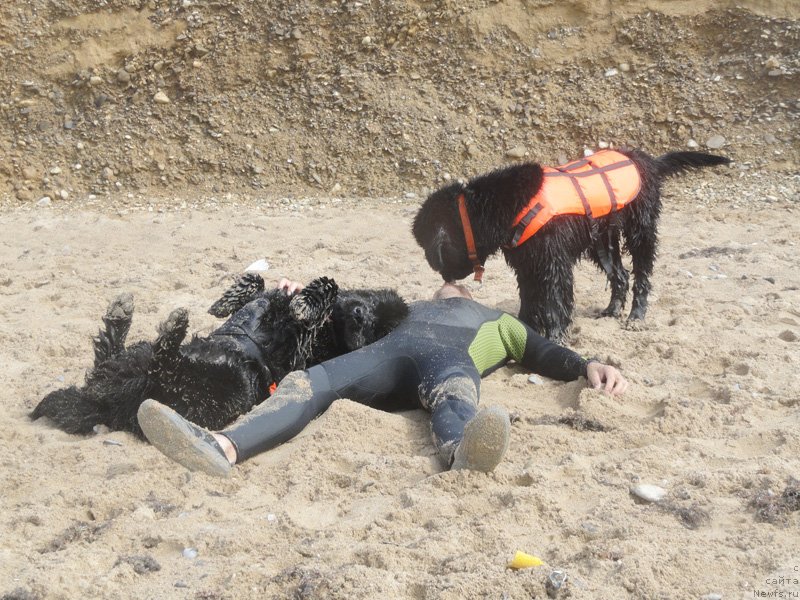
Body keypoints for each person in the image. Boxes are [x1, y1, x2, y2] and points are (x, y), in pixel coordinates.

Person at [137, 280, 627, 477]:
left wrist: (587, 365)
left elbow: (543, 351)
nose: (448, 283)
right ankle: (222, 447)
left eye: (456, 281)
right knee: (313, 381)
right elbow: (349, 312)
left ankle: (461, 454)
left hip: (448, 362)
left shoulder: (502, 323)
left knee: (454, 395)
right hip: (386, 357)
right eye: (444, 281)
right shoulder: (410, 308)